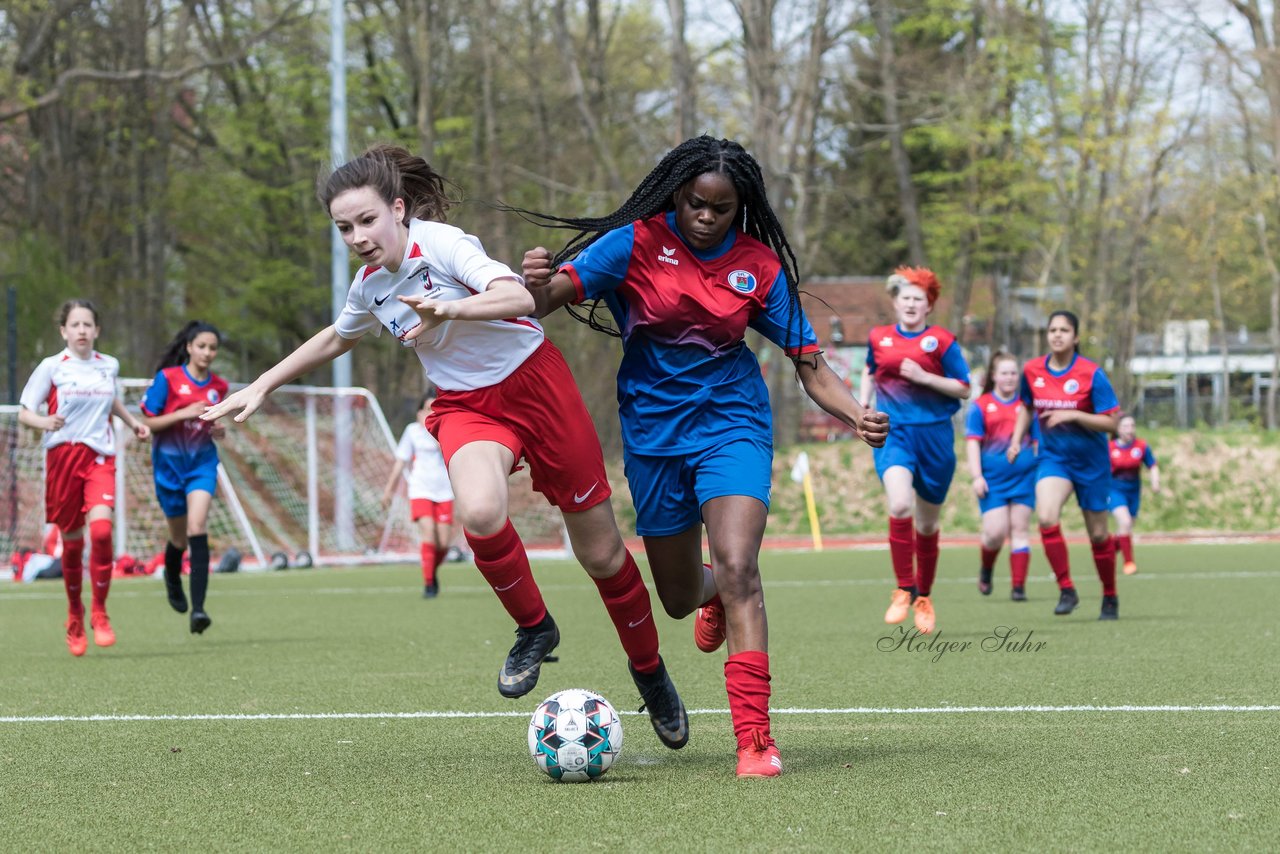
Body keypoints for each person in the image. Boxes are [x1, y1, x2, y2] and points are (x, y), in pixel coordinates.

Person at [201, 144, 688, 751]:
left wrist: (448, 307)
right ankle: (535, 629)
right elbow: (336, 337)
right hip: (467, 405)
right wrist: (262, 385)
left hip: (537, 384)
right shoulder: (369, 286)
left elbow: (516, 297)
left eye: (367, 220)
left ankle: (650, 672)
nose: (357, 236)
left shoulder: (442, 243)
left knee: (602, 557)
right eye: (343, 228)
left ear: (398, 209)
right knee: (480, 513)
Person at [518, 135, 889, 778]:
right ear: (677, 195)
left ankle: (754, 740)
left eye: (721, 208)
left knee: (742, 565)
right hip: (654, 437)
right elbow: (548, 301)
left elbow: (810, 364)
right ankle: (709, 591)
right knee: (680, 595)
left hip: (732, 424)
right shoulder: (635, 243)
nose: (706, 217)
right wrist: (535, 281)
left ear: (739, 207)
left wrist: (855, 413)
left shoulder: (758, 267)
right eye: (695, 204)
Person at [17, 299, 151, 656]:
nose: (81, 330)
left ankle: (100, 612)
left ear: (97, 330)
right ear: (63, 331)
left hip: (98, 457)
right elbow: (25, 412)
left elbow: (111, 403)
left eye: (87, 324)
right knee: (72, 545)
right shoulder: (52, 367)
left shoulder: (109, 365)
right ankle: (75, 614)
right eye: (74, 325)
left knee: (103, 532)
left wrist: (134, 422)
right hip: (62, 457)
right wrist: (45, 421)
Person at [858, 268, 971, 635]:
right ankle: (904, 588)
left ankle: (924, 596)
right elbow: (870, 371)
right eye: (905, 297)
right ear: (895, 302)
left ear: (929, 306)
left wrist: (925, 377)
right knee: (900, 504)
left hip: (936, 438)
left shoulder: (941, 341)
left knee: (927, 523)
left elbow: (964, 388)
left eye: (918, 299)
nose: (910, 303)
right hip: (896, 434)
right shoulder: (879, 338)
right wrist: (861, 405)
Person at [1010, 310, 1122, 619]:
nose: (1057, 335)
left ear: (1075, 337)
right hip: (1053, 459)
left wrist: (1074, 415)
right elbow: (1026, 407)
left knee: (1099, 535)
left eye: (1064, 330)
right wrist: (1017, 439)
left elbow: (1112, 424)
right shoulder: (1032, 370)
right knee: (1046, 518)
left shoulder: (1091, 374)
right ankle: (1067, 589)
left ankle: (1110, 596)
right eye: (1053, 330)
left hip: (1092, 463)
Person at [137, 320, 229, 634]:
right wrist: (183, 413)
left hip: (202, 464)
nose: (207, 353)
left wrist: (220, 430)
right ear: (189, 347)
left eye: (212, 348)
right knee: (178, 538)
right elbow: (147, 423)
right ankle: (172, 576)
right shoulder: (168, 379)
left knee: (196, 527)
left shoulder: (219, 387)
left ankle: (199, 610)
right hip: (169, 467)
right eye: (201, 346)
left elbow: (218, 426)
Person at [964, 351, 1036, 600]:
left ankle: (1019, 588)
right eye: (1004, 373)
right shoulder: (980, 407)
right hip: (993, 481)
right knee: (995, 533)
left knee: (1020, 529)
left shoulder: (1027, 407)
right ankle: (987, 569)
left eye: (1014, 373)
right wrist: (977, 476)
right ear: (994, 376)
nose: (1009, 378)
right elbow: (973, 443)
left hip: (1025, 479)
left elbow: (1037, 440)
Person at [382, 390, 454, 597]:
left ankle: (431, 570)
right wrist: (389, 490)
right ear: (419, 412)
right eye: (427, 409)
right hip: (420, 489)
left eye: (435, 409)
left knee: (444, 543)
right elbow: (400, 462)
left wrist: (434, 432)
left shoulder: (445, 431)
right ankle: (429, 584)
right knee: (428, 532)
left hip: (444, 490)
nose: (431, 413)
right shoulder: (412, 431)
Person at [1109, 414, 1160, 575]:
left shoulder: (1141, 447)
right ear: (1117, 429)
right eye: (1125, 426)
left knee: (1128, 525)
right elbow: (1099, 470)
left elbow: (1152, 465)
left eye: (1132, 426)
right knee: (1124, 522)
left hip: (1133, 492)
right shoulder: (1109, 448)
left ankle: (1107, 550)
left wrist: (1155, 483)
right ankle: (1129, 563)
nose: (1130, 430)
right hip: (1114, 491)